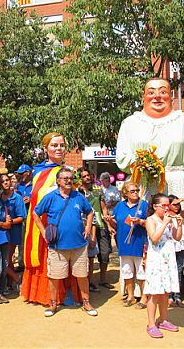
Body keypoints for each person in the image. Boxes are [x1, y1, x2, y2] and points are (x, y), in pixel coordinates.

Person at [116, 77, 184, 293]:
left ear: (171, 96)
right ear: (144, 96)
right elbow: (122, 157)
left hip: (178, 181)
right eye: (151, 92)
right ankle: (142, 286)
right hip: (146, 183)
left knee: (179, 229)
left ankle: (181, 286)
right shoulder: (130, 123)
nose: (157, 96)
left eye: (163, 91)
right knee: (144, 231)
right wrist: (142, 165)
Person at [21, 132, 81, 305]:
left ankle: (67, 291)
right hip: (46, 224)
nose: (59, 148)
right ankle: (45, 294)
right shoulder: (39, 171)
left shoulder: (69, 171)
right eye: (54, 145)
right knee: (48, 258)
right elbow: (36, 198)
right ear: (45, 148)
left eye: (62, 145)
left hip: (66, 223)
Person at [33, 167, 96, 317]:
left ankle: (86, 302)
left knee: (82, 275)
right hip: (57, 246)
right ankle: (53, 304)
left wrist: (88, 227)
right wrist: (43, 232)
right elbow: (36, 213)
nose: (69, 180)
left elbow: (90, 211)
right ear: (58, 181)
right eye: (65, 178)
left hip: (79, 245)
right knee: (54, 277)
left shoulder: (78, 196)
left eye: (70, 178)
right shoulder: (51, 197)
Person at [143, 194, 182, 338]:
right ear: (155, 206)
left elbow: (177, 237)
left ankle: (164, 319)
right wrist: (165, 223)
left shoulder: (168, 219)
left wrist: (179, 224)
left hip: (168, 258)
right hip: (156, 260)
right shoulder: (150, 220)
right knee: (154, 292)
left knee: (165, 291)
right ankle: (151, 324)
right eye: (164, 206)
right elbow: (154, 238)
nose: (167, 208)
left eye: (168, 205)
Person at [109, 181, 148, 307]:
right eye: (132, 191)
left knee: (141, 272)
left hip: (139, 243)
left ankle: (144, 297)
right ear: (125, 193)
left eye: (136, 190)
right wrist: (110, 221)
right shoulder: (120, 206)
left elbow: (151, 222)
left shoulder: (143, 205)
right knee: (127, 271)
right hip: (124, 243)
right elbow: (117, 223)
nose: (135, 193)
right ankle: (130, 295)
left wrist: (140, 221)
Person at [78, 167, 114, 290]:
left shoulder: (98, 190)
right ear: (80, 178)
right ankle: (90, 281)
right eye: (84, 176)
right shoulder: (77, 192)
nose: (87, 178)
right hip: (84, 226)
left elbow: (104, 208)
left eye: (88, 175)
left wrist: (108, 225)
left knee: (104, 253)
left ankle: (103, 279)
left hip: (100, 224)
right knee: (89, 255)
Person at [0, 174, 26, 290]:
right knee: (7, 260)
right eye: (2, 181)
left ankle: (16, 280)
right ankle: (10, 284)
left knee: (6, 260)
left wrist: (10, 222)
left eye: (7, 180)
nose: (5, 182)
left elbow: (22, 216)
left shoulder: (17, 197)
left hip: (13, 231)